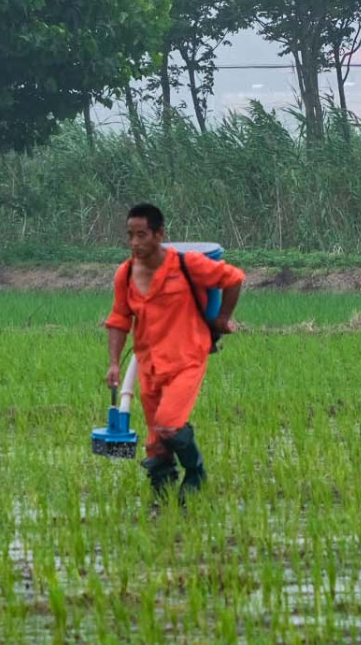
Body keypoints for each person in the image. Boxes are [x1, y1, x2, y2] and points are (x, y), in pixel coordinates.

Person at [102, 202, 250, 500]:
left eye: (141, 235)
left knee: (169, 423)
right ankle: (164, 497)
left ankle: (196, 473)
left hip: (186, 359)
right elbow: (119, 319)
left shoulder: (187, 265)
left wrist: (222, 319)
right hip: (149, 365)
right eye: (130, 235)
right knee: (156, 441)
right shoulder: (125, 274)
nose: (134, 243)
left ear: (159, 234)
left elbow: (233, 278)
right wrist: (115, 363)